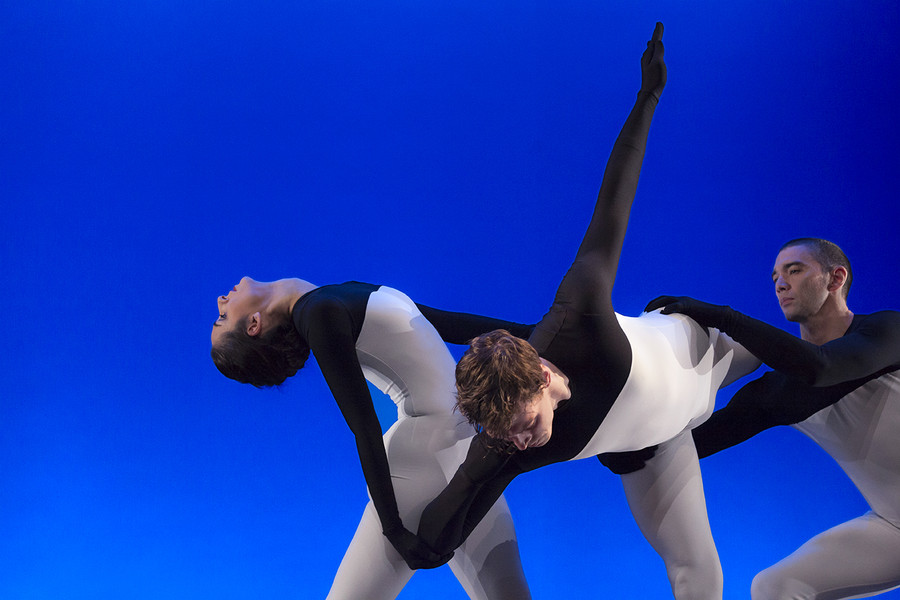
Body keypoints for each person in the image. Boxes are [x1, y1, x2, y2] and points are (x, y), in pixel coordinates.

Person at [415, 23, 761, 600]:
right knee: (701, 575)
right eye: (508, 436)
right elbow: (432, 543)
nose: (521, 443)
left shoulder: (577, 315)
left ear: (542, 375)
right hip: (652, 444)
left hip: (708, 352)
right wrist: (473, 470)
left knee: (808, 363)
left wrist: (648, 95)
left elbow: (615, 198)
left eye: (523, 424)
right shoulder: (505, 441)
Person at [210, 279, 533, 599]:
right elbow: (364, 426)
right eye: (223, 317)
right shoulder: (319, 313)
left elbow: (440, 323)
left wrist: (532, 333)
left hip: (466, 451)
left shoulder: (328, 300)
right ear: (254, 324)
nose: (221, 299)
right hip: (422, 461)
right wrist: (393, 529)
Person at [645, 237, 900, 599]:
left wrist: (724, 318)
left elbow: (822, 368)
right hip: (893, 526)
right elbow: (684, 446)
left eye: (794, 270)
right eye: (775, 277)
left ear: (836, 278)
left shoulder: (887, 330)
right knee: (775, 587)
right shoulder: (778, 392)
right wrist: (614, 430)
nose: (781, 284)